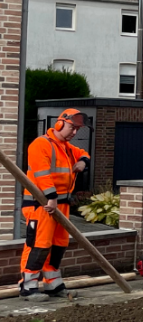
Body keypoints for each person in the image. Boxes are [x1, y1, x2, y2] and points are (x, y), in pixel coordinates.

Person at [20, 108, 90, 299]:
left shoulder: (66, 147)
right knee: (39, 244)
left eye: (77, 129)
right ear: (59, 123)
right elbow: (42, 174)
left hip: (60, 204)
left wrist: (83, 162)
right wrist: (51, 197)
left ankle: (53, 284)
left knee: (59, 244)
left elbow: (84, 153)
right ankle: (28, 286)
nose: (74, 133)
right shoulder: (41, 144)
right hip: (41, 204)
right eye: (71, 127)